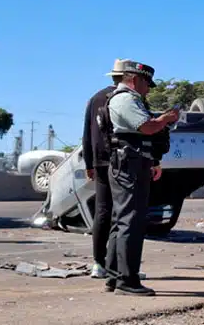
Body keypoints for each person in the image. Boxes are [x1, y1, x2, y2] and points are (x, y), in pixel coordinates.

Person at [101, 60, 180, 296]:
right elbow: (146, 127)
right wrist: (166, 119)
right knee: (131, 222)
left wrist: (154, 161)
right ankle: (127, 280)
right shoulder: (125, 98)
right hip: (129, 165)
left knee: (122, 220)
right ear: (136, 79)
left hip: (133, 162)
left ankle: (115, 276)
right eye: (147, 83)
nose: (148, 89)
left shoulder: (128, 98)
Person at [82, 59, 127, 279]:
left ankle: (98, 263)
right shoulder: (126, 98)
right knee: (123, 213)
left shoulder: (95, 98)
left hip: (99, 161)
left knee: (102, 211)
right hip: (120, 160)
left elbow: (86, 132)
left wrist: (88, 163)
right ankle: (119, 264)